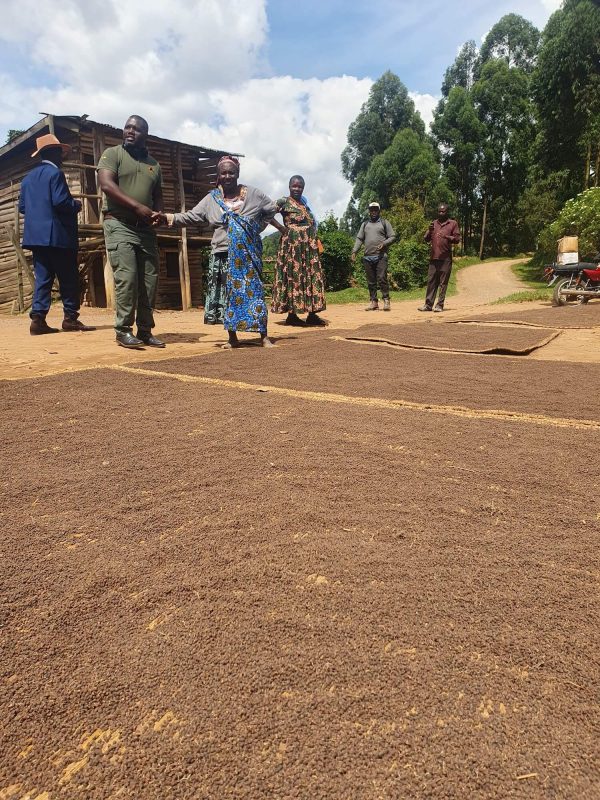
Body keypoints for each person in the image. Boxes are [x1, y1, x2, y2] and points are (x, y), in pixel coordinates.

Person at [160, 155, 277, 348]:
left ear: (238, 173)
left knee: (254, 293)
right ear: (218, 175)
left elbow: (271, 209)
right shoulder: (211, 199)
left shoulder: (254, 194)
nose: (227, 176)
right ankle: (232, 338)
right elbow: (191, 216)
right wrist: (168, 218)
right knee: (227, 295)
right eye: (224, 173)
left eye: (231, 172)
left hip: (247, 253)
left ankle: (263, 337)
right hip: (223, 252)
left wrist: (255, 227)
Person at [97, 115, 165, 349]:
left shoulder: (154, 165)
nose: (130, 131)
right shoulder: (112, 154)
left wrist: (158, 214)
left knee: (149, 281)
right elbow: (106, 185)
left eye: (136, 129)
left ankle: (145, 330)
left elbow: (158, 196)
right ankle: (123, 330)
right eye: (127, 127)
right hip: (119, 224)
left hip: (146, 229)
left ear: (145, 134)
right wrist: (137, 207)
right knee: (127, 277)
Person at [19, 134, 95, 335]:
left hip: (36, 238)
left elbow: (23, 208)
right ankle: (70, 319)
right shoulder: (55, 174)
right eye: (60, 152)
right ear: (53, 153)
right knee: (68, 277)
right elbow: (61, 202)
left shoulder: (27, 179)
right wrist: (76, 205)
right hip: (58, 237)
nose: (62, 156)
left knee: (43, 279)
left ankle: (38, 320)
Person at [271, 175, 327, 327]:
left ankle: (312, 314)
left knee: (311, 276)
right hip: (292, 246)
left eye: (300, 186)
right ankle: (292, 315)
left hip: (309, 246)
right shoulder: (283, 201)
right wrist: (281, 228)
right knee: (294, 276)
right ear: (289, 187)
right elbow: (266, 212)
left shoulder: (304, 204)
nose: (297, 189)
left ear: (303, 188)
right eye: (294, 186)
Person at [351, 202, 395, 311]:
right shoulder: (365, 224)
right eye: (372, 210)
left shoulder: (384, 223)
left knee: (382, 278)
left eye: (376, 210)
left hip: (381, 256)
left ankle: (386, 300)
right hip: (367, 257)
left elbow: (392, 237)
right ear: (369, 212)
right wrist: (354, 251)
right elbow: (359, 239)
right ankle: (374, 302)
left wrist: (384, 243)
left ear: (379, 211)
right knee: (371, 281)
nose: (374, 212)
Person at [419, 203, 461, 313]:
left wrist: (447, 237)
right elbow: (426, 239)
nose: (441, 213)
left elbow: (457, 239)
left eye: (443, 211)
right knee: (431, 282)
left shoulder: (453, 223)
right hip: (433, 258)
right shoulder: (434, 223)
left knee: (443, 283)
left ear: (447, 212)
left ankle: (439, 305)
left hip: (446, 259)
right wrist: (429, 231)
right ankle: (428, 305)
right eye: (439, 211)